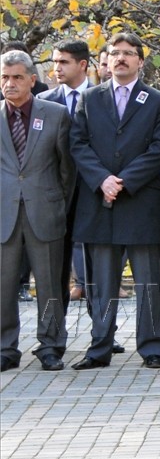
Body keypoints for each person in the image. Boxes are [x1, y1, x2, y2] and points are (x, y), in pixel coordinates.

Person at [68, 32, 160, 370]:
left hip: (140, 200)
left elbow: (159, 149)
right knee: (101, 283)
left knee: (147, 281)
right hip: (99, 201)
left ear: (141, 61)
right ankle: (100, 347)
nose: (121, 58)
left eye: (128, 53)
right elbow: (78, 144)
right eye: (115, 53)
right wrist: (102, 180)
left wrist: (124, 181)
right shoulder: (90, 98)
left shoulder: (157, 101)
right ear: (106, 60)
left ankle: (152, 347)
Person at [1, 50, 75, 371]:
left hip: (45, 211)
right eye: (4, 77)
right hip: (4, 215)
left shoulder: (56, 114)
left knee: (48, 284)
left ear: (33, 79)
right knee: (3, 285)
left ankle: (50, 345)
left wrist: (57, 203)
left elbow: (67, 170)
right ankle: (6, 348)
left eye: (17, 77)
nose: (10, 83)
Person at [38, 39, 93, 303]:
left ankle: (103, 334)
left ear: (82, 64)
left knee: (97, 267)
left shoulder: (102, 97)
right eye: (54, 62)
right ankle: (54, 335)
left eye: (63, 62)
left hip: (93, 190)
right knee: (56, 265)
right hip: (56, 194)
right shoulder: (44, 100)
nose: (56, 68)